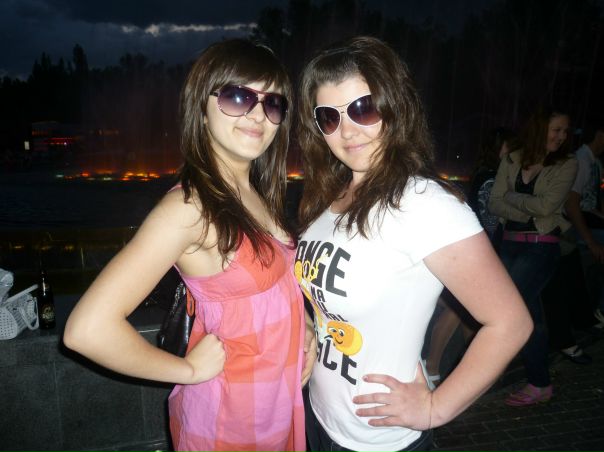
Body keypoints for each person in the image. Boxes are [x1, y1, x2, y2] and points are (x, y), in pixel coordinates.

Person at [64, 39, 314, 452]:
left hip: (273, 411)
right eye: (238, 96)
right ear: (202, 105)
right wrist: (188, 371)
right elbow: (87, 330)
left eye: (272, 103)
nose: (258, 114)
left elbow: (273, 284)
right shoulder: (189, 208)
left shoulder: (253, 191)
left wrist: (304, 327)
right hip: (226, 426)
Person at [294, 36, 532, 452]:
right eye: (329, 117)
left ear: (395, 106)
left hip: (377, 439)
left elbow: (511, 323)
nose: (347, 130)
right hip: (319, 415)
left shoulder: (423, 204)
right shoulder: (327, 197)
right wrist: (311, 327)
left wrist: (435, 409)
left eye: (363, 108)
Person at [489, 105, 578, 406]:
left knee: (508, 308)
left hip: (541, 246)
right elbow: (494, 203)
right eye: (556, 130)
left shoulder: (567, 163)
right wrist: (527, 208)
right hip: (509, 243)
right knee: (530, 315)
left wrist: (511, 198)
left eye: (565, 131)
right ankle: (540, 383)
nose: (562, 136)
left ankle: (485, 374)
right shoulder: (512, 158)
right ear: (540, 129)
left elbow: (546, 207)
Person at [564, 120, 604, 324]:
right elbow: (572, 205)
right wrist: (591, 242)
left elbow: (591, 201)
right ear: (599, 135)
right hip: (575, 224)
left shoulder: (596, 163)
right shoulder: (580, 160)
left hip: (591, 220)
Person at [468, 127, 516, 248]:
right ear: (497, 148)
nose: (514, 152)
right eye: (510, 147)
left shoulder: (483, 174)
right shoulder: (491, 179)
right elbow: (492, 224)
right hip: (489, 246)